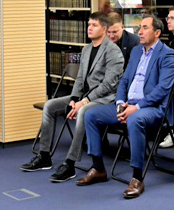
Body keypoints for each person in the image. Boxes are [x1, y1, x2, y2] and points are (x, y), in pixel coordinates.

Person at [79, 15, 174, 199]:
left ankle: (137, 178)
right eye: (140, 27)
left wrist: (136, 107)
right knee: (90, 114)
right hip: (127, 104)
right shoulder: (136, 51)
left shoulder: (167, 54)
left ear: (157, 33)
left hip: (152, 108)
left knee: (134, 119)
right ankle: (98, 168)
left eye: (145, 28)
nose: (140, 31)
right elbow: (124, 80)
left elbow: (163, 89)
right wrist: (119, 103)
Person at [21, 12, 124, 182]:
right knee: (50, 106)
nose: (89, 28)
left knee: (83, 111)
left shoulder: (113, 51)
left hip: (104, 99)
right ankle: (44, 155)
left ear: (104, 29)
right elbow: (80, 78)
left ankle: (70, 163)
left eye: (94, 25)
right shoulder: (86, 49)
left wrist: (84, 101)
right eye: (89, 24)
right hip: (84, 97)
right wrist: (74, 99)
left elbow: (109, 85)